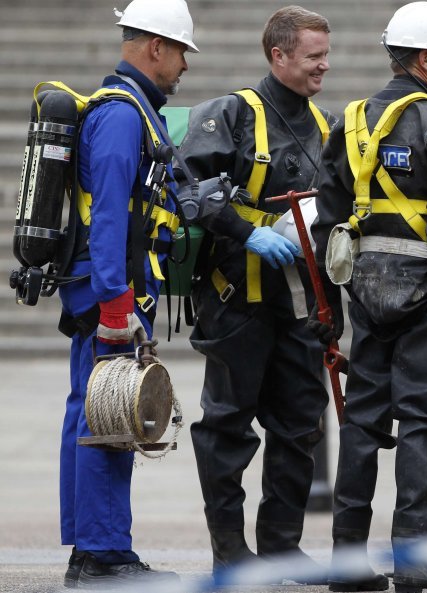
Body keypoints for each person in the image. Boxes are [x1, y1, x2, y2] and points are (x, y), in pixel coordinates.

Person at [310, 2, 427, 592]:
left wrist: (331, 309)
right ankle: (416, 565)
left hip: (367, 299)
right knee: (424, 423)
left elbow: (328, 222)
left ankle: (347, 564)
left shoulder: (351, 121)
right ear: (423, 59)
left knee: (362, 425)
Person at [176, 5, 334, 584]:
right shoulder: (231, 115)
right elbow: (187, 186)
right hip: (235, 302)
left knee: (299, 427)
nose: (324, 65)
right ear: (279, 55)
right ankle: (229, 552)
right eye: (314, 56)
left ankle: (282, 549)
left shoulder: (327, 126)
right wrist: (250, 233)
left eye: (325, 54)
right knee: (227, 428)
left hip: (300, 310)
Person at [56, 0, 197, 587]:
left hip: (113, 289)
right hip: (108, 293)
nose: (185, 64)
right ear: (156, 48)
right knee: (103, 418)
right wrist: (116, 307)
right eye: (182, 51)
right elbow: (110, 215)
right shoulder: (121, 115)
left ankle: (106, 549)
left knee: (108, 416)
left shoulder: (139, 109)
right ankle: (98, 555)